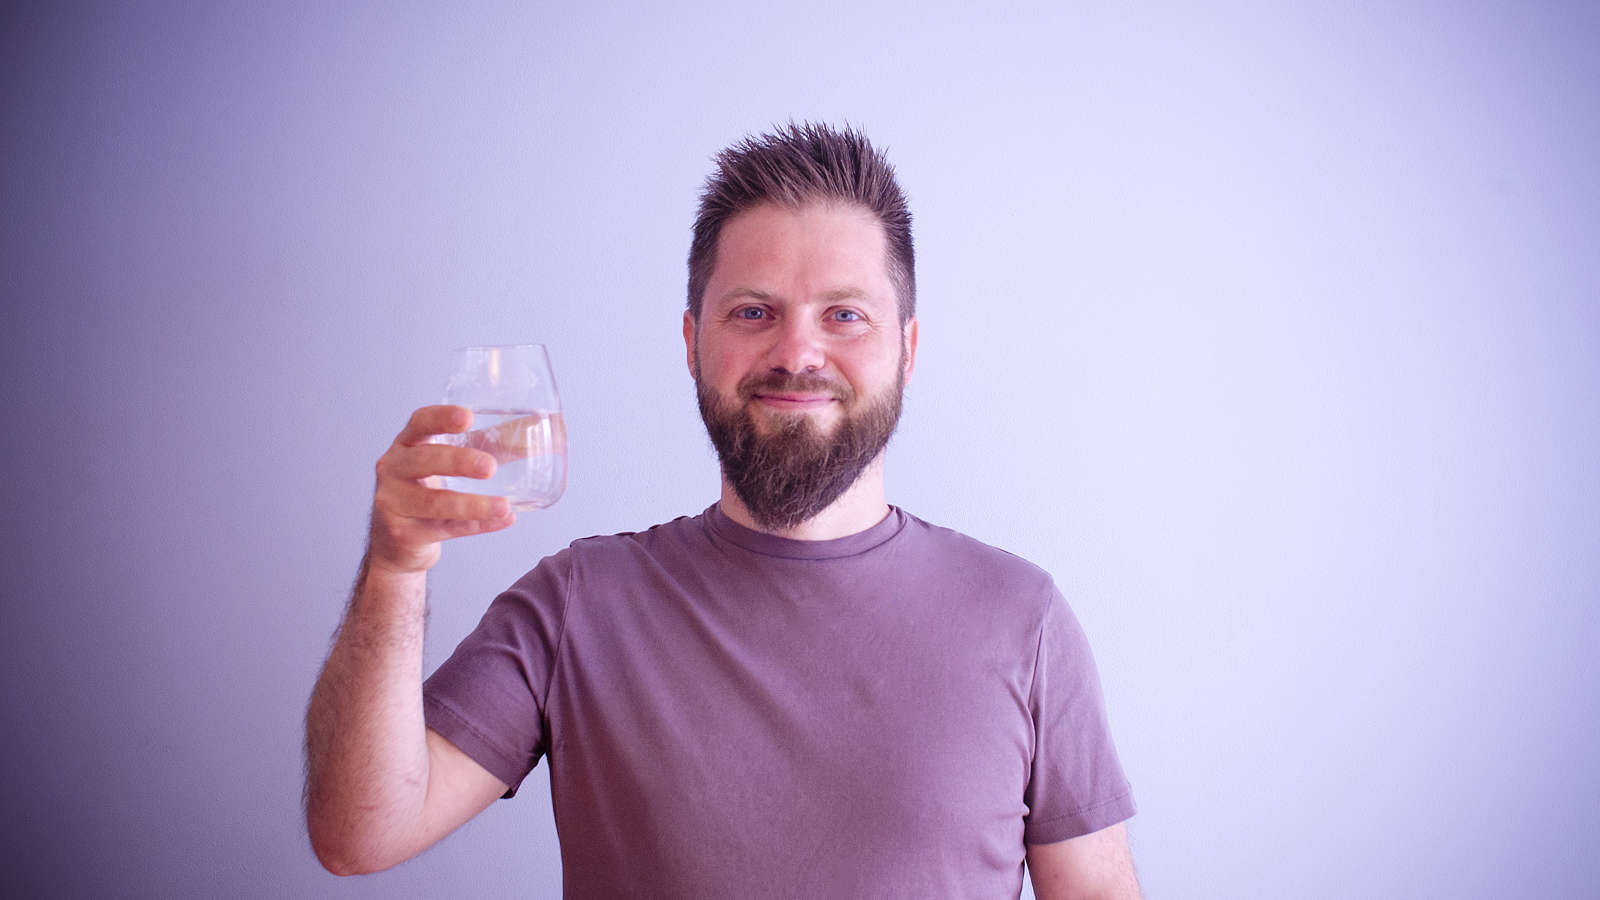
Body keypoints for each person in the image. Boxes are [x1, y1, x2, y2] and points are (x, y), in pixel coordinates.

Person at [305, 122, 1140, 898]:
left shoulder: (1022, 618)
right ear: (693, 339)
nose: (797, 353)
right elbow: (358, 835)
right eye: (753, 312)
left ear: (908, 349)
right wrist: (393, 569)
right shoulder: (578, 604)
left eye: (844, 315)